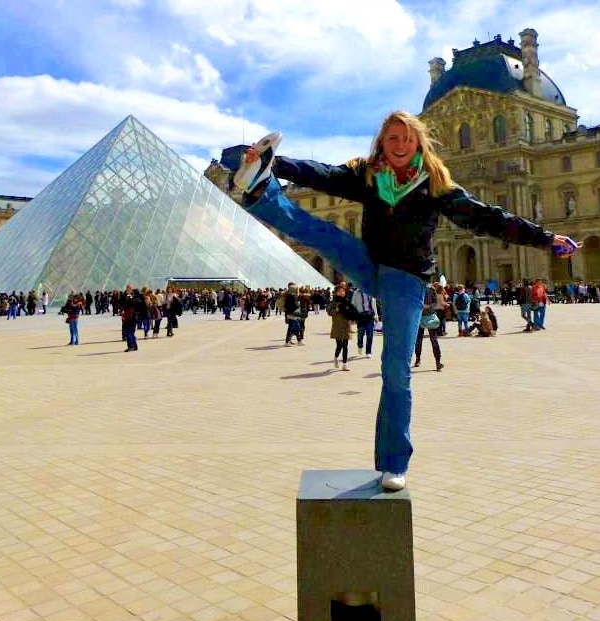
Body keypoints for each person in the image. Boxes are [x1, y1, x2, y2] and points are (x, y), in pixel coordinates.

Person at [225, 110, 580, 491]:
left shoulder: (435, 185)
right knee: (323, 234)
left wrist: (544, 238)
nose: (399, 145)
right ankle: (262, 189)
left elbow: (486, 218)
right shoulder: (368, 176)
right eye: (392, 138)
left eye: (406, 139)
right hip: (370, 263)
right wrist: (277, 163)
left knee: (395, 368)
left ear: (417, 143)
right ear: (382, 142)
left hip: (406, 280)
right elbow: (323, 174)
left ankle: (393, 462)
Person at [413, 284, 443, 370]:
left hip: (429, 316)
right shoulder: (416, 287)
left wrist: (428, 306)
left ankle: (438, 361)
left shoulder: (431, 289)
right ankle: (418, 358)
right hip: (419, 317)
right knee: (419, 339)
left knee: (433, 339)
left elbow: (435, 303)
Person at [327, 285, 355, 371]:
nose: (342, 293)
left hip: (346, 326)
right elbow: (329, 312)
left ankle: (345, 364)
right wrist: (336, 310)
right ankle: (335, 358)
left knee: (345, 345)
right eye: (339, 291)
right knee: (339, 345)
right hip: (337, 326)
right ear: (336, 293)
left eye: (343, 291)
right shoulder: (333, 302)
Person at [351, 288, 378, 358]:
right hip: (360, 316)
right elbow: (353, 305)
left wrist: (376, 315)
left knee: (370, 335)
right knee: (360, 334)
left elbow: (374, 304)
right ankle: (360, 345)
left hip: (369, 316)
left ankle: (368, 351)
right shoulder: (356, 293)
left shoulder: (371, 291)